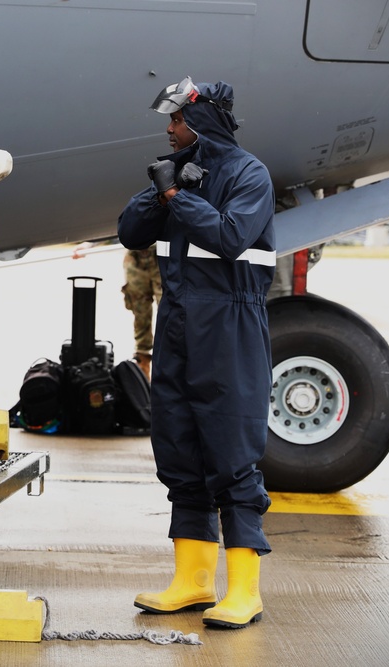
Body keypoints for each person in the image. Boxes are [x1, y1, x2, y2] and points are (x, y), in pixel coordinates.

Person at [117, 76, 276, 629]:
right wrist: (161, 184)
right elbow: (129, 231)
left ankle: (245, 591)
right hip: (180, 319)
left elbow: (232, 238)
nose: (169, 128)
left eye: (177, 121)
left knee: (231, 452)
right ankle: (193, 581)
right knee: (179, 446)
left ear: (201, 121)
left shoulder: (248, 174)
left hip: (230, 321)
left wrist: (176, 196)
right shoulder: (182, 170)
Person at [70, 243, 161, 381]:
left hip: (163, 253)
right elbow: (114, 222)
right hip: (135, 255)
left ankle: (176, 365)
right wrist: (91, 244)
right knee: (140, 314)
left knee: (172, 314)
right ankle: (143, 367)